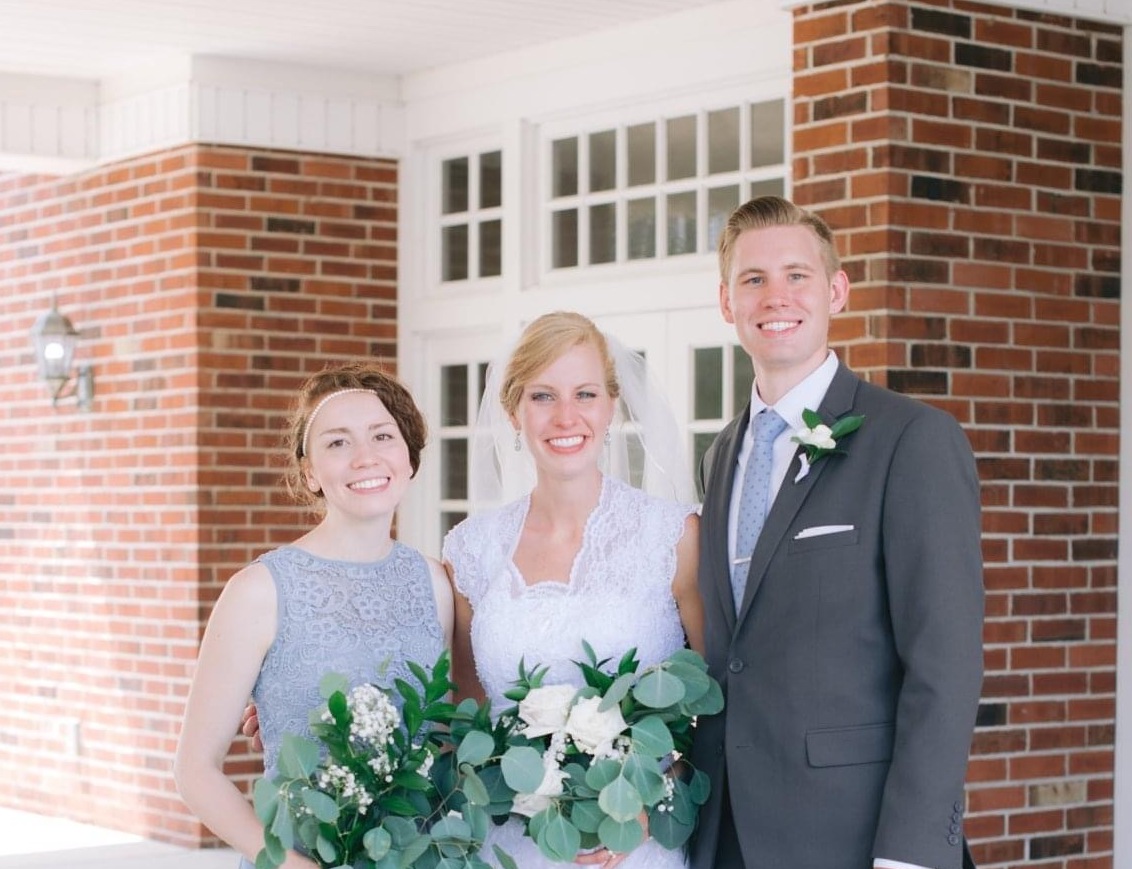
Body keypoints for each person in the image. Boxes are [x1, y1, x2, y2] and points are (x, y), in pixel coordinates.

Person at [688, 195, 985, 869]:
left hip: (856, 837)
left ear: (837, 290)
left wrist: (910, 853)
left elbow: (944, 665)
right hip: (726, 831)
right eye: (753, 279)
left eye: (797, 274)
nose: (776, 296)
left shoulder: (910, 439)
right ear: (727, 303)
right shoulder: (719, 454)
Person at [443, 311, 703, 869]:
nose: (566, 416)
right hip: (513, 848)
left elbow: (716, 704)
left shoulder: (673, 537)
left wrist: (648, 804)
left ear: (611, 405)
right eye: (542, 396)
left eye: (585, 393)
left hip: (637, 846)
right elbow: (466, 714)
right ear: (513, 412)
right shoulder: (471, 550)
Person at [174, 362, 453, 869]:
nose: (365, 457)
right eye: (337, 443)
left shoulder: (434, 583)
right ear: (310, 472)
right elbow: (195, 771)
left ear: (409, 457)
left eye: (382, 435)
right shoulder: (258, 591)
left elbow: (445, 741)